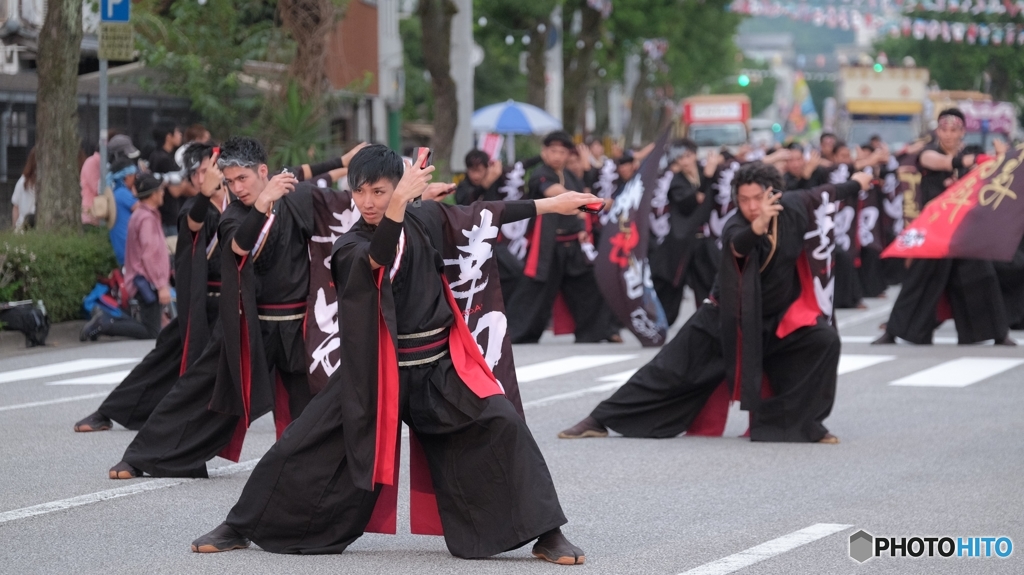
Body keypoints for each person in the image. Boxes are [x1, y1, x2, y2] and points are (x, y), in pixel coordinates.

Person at [190, 145, 588, 565]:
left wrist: (555, 204)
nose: (367, 202)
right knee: (300, 444)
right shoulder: (350, 245)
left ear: (398, 189)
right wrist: (399, 203)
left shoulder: (425, 218)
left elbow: (486, 212)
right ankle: (240, 525)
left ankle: (547, 532)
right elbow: (378, 258)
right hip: (374, 372)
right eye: (359, 192)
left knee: (502, 423)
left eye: (379, 192)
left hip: (436, 368)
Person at [559, 163, 873, 444]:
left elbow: (832, 191)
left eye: (757, 198)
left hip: (777, 321)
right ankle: (600, 419)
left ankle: (801, 425)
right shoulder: (736, 224)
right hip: (727, 318)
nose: (751, 206)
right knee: (668, 370)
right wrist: (757, 228)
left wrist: (859, 181)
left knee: (824, 340)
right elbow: (738, 246)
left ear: (774, 193)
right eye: (744, 200)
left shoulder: (797, 205)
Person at [105, 137, 360, 479]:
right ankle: (142, 455)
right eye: (230, 181)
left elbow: (345, 202)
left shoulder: (297, 196)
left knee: (313, 403)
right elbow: (239, 247)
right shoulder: (234, 214)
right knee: (201, 389)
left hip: (300, 328)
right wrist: (261, 204)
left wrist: (403, 197)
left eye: (244, 179)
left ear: (263, 172)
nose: (237, 187)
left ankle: (308, 470)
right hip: (250, 324)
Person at [74, 143, 227, 432]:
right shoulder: (193, 212)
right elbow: (155, 256)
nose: (217, 176)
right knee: (163, 355)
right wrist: (162, 286)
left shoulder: (233, 204)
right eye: (207, 171)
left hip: (225, 303)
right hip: (199, 303)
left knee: (166, 355)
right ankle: (115, 411)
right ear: (195, 178)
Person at [873, 108, 1015, 346]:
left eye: (954, 130)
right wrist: (974, 162)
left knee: (982, 276)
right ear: (937, 131)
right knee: (920, 278)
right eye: (944, 129)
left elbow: (992, 176)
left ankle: (998, 333)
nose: (948, 135)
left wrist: (1000, 159)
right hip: (936, 229)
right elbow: (943, 162)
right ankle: (894, 331)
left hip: (965, 229)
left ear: (962, 132)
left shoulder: (973, 153)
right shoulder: (929, 154)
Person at [507, 131, 620, 344]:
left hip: (574, 243)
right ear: (544, 152)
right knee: (535, 291)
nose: (557, 156)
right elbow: (558, 195)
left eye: (562, 152)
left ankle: (593, 333)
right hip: (547, 246)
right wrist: (598, 204)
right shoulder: (541, 174)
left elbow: (582, 198)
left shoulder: (570, 176)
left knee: (590, 283)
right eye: (553, 151)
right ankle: (514, 334)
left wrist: (593, 206)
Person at [81, 175, 169, 341]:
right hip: (146, 281)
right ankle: (106, 324)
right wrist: (160, 284)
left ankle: (106, 322)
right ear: (153, 194)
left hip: (141, 279)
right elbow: (149, 254)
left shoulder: (140, 215)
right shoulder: (146, 219)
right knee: (151, 331)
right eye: (160, 190)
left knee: (152, 326)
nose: (163, 193)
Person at [649, 139, 715, 326]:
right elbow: (693, 201)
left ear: (694, 155)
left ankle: (709, 321)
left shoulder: (705, 173)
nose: (685, 161)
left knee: (708, 282)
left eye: (688, 155)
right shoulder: (677, 182)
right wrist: (707, 179)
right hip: (683, 241)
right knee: (672, 283)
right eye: (680, 158)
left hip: (705, 240)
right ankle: (660, 322)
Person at [149, 121, 187, 239]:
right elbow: (175, 191)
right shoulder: (165, 160)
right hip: (169, 218)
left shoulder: (155, 155)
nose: (180, 134)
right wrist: (186, 179)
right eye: (177, 132)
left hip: (161, 215)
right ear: (168, 136)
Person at [107, 154, 139, 266]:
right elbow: (143, 211)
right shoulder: (122, 193)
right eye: (134, 175)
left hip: (122, 248)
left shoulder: (115, 192)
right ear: (127, 176)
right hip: (129, 249)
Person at [11, 147, 37, 232]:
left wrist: (14, 227)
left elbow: (16, 207)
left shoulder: (22, 181)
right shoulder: (46, 183)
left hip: (21, 228)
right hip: (36, 227)